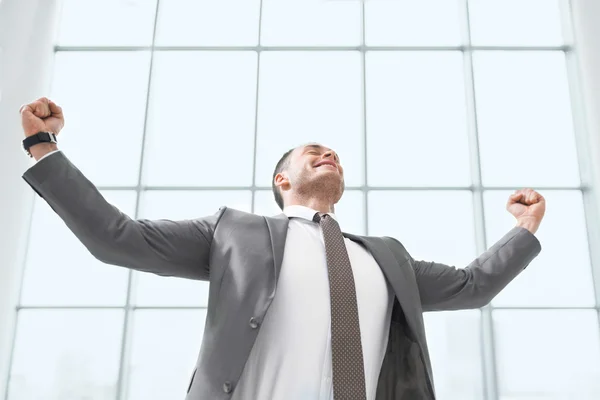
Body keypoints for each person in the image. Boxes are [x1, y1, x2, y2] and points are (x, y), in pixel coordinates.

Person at [19, 97, 544, 400]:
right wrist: (44, 148)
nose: (328, 153)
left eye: (333, 152)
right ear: (282, 180)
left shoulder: (387, 257)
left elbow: (474, 286)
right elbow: (120, 238)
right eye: (313, 151)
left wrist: (524, 228)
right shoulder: (233, 233)